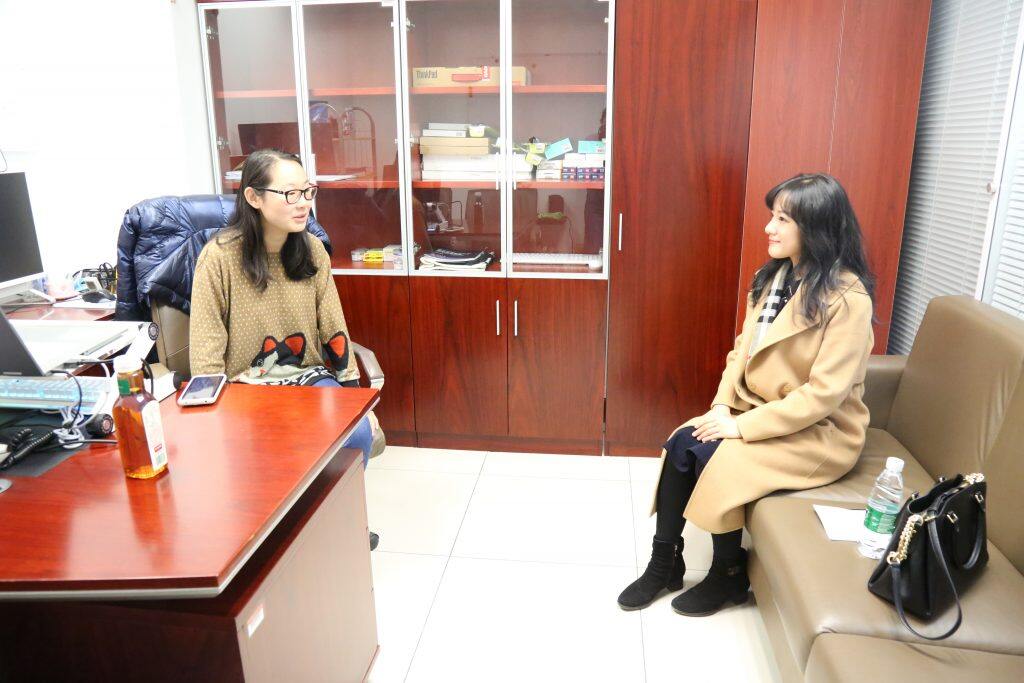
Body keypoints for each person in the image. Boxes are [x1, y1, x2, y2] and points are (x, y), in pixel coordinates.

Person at [617, 173, 875, 615]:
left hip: (820, 432)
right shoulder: (772, 278)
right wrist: (721, 406)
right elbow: (742, 351)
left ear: (816, 227)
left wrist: (740, 427)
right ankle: (665, 564)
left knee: (717, 454)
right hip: (758, 408)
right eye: (772, 216)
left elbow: (823, 396)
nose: (769, 228)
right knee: (682, 442)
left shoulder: (848, 300)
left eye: (783, 219)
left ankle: (728, 574)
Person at [189, 148, 379, 549]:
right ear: (254, 197)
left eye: (307, 191)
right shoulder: (219, 258)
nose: (304, 203)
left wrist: (352, 397)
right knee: (259, 459)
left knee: (356, 433)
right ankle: (284, 541)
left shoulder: (311, 250)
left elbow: (334, 328)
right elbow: (206, 351)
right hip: (244, 389)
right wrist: (210, 418)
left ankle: (334, 525)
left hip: (307, 378)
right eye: (290, 193)